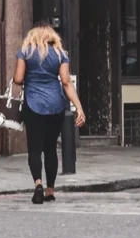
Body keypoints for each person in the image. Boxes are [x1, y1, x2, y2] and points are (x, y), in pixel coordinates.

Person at [14, 23, 86, 204]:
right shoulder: (60, 54)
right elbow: (66, 82)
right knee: (51, 149)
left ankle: (38, 183)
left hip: (33, 104)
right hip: (56, 105)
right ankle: (50, 190)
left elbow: (18, 79)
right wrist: (78, 107)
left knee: (34, 149)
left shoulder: (26, 52)